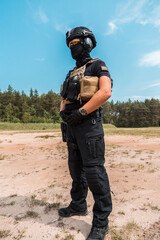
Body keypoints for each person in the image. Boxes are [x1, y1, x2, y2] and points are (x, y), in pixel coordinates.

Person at [59, 26, 112, 240]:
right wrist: (64, 115)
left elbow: (105, 91)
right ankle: (78, 205)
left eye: (76, 43)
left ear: (87, 43)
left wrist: (81, 112)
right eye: (70, 45)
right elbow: (64, 98)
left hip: (89, 125)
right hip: (72, 126)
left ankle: (101, 223)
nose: (73, 47)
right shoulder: (71, 73)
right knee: (75, 170)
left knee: (94, 173)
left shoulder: (98, 65)